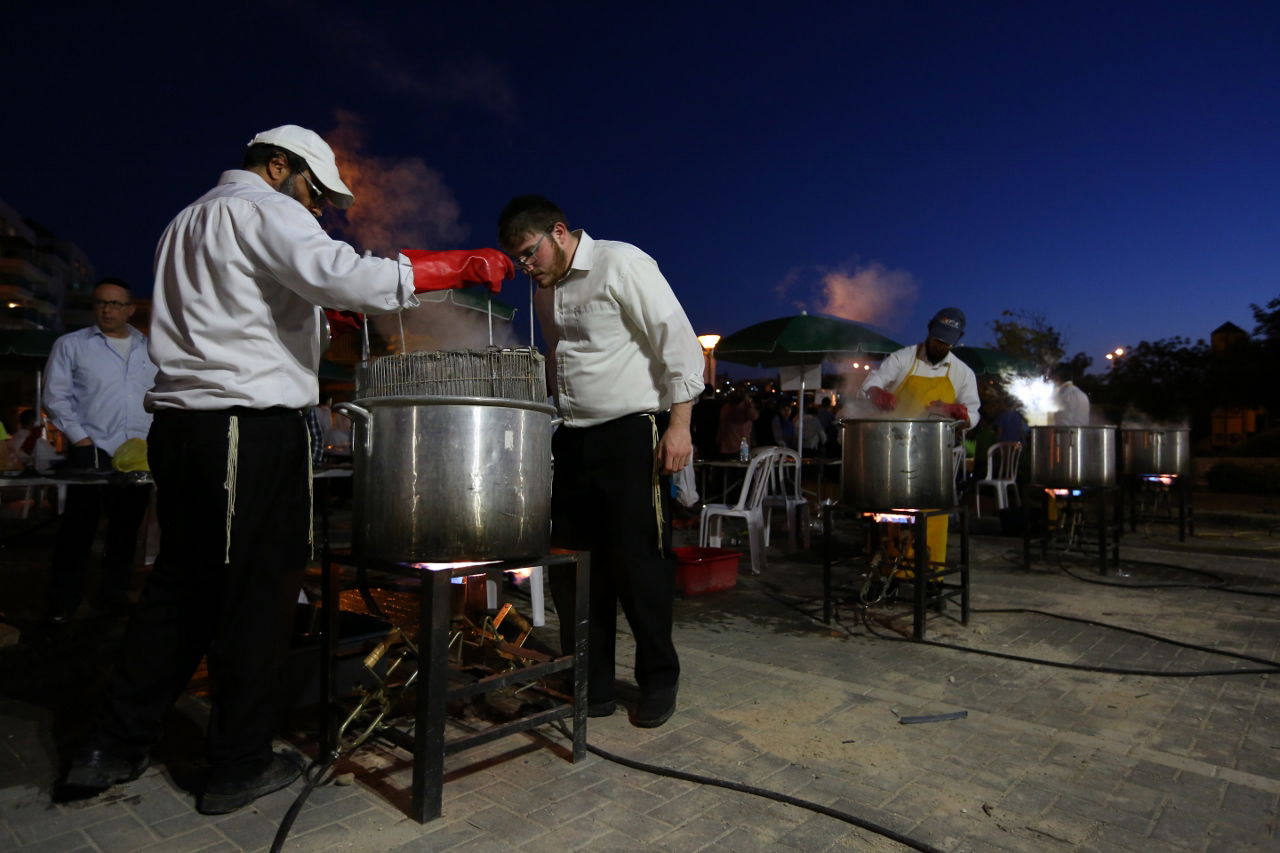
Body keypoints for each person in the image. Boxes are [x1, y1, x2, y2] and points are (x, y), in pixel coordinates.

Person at [62, 124, 513, 814]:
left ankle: (113, 745)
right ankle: (238, 762)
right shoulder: (263, 207)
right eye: (315, 193)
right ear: (279, 166)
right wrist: (450, 267)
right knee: (258, 593)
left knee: (181, 587)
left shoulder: (185, 221)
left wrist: (317, 319)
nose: (318, 209)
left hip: (182, 429)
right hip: (245, 427)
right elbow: (350, 274)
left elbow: (243, 309)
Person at [497, 195, 703, 729]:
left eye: (530, 252)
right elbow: (559, 360)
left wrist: (679, 426)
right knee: (577, 570)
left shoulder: (621, 262)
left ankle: (659, 680)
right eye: (518, 258)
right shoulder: (544, 291)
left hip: (631, 434)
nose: (526, 265)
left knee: (639, 565)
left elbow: (678, 341)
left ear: (558, 231)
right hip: (572, 439)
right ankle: (593, 684)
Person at [42, 279, 157, 623]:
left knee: (126, 530)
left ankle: (113, 596)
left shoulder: (150, 349)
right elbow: (55, 395)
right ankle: (63, 603)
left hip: (137, 450)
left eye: (116, 304)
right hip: (91, 448)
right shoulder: (72, 344)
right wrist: (80, 439)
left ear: (131, 309)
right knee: (78, 529)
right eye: (101, 303)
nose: (108, 310)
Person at [861, 307, 980, 566]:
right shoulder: (902, 358)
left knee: (933, 510)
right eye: (937, 339)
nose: (940, 346)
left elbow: (974, 414)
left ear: (957, 340)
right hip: (895, 451)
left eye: (947, 342)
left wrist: (961, 413)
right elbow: (871, 383)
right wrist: (876, 394)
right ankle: (890, 566)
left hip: (936, 454)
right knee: (894, 508)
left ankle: (931, 569)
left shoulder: (962, 373)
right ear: (929, 330)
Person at [716, 391, 757, 458]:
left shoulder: (726, 407)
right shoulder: (745, 407)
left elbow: (722, 425)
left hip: (726, 444)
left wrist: (719, 440)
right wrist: (749, 403)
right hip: (740, 445)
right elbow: (754, 416)